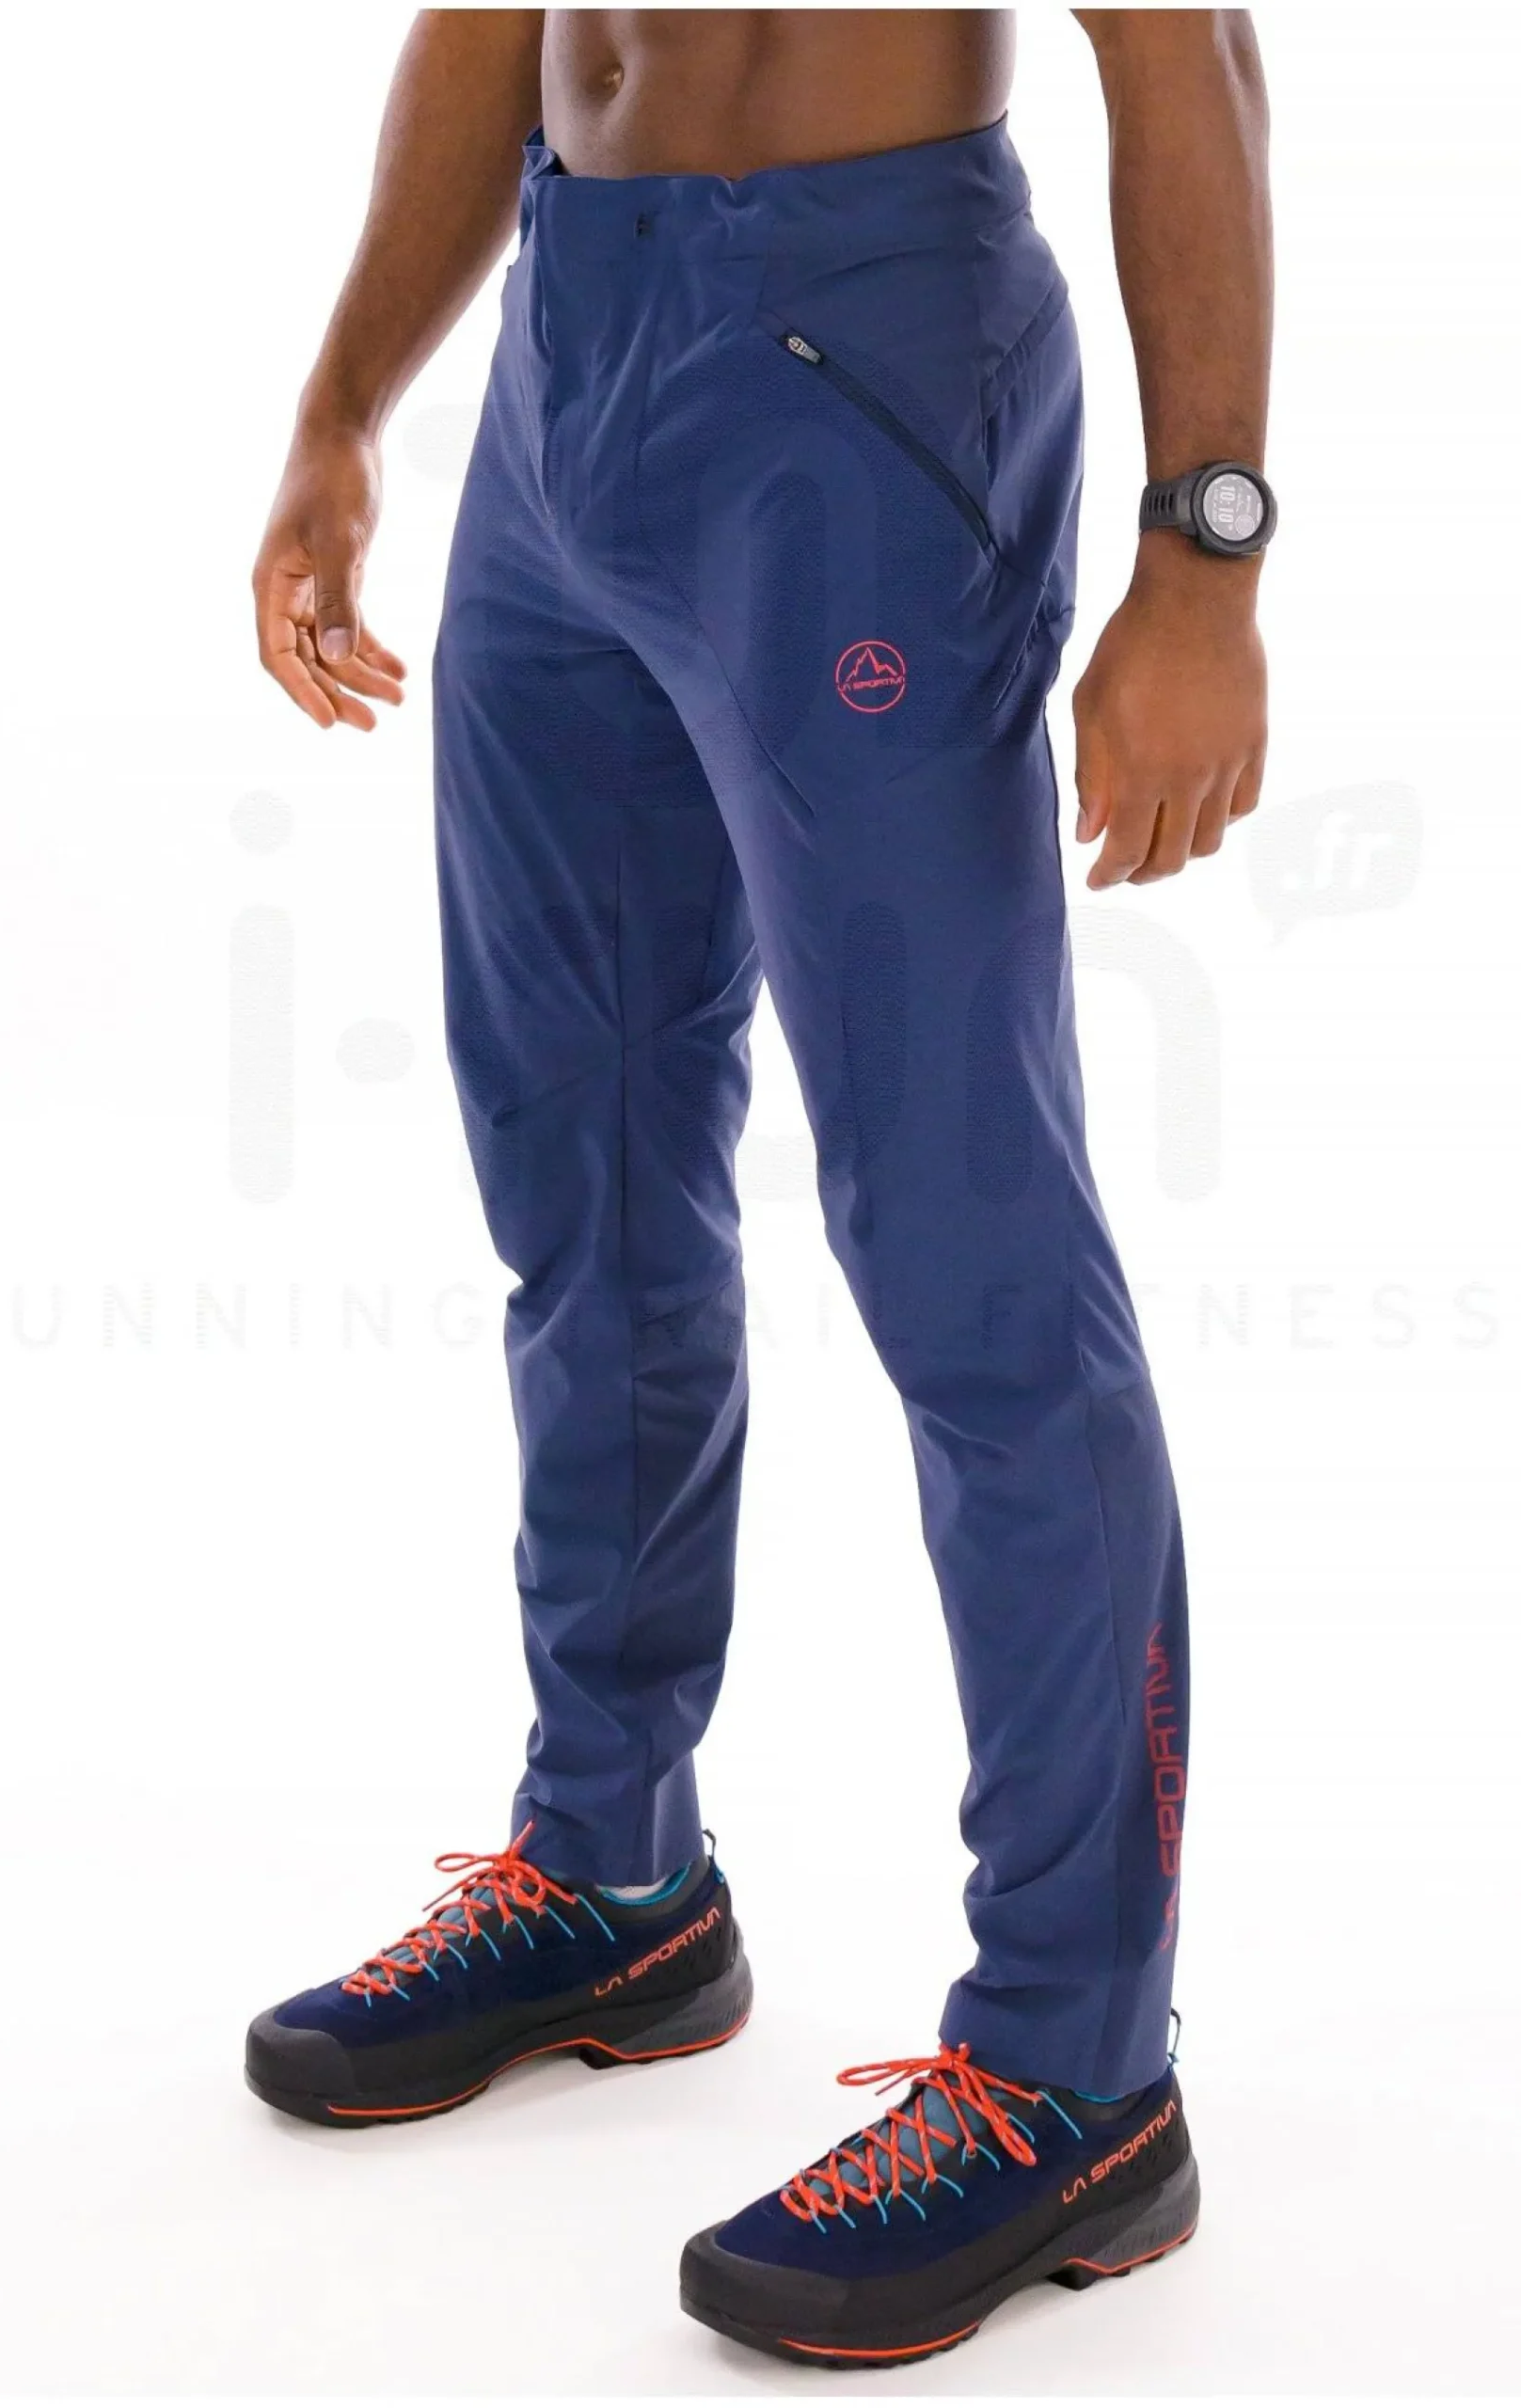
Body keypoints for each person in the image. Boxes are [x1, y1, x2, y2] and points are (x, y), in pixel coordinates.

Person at [246, 8, 1271, 2367]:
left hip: (854, 360)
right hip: (563, 360)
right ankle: (612, 1870)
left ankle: (1078, 2067)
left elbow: (1191, 47)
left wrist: (1200, 557)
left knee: (961, 1243)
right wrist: (344, 403)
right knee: (581, 1167)